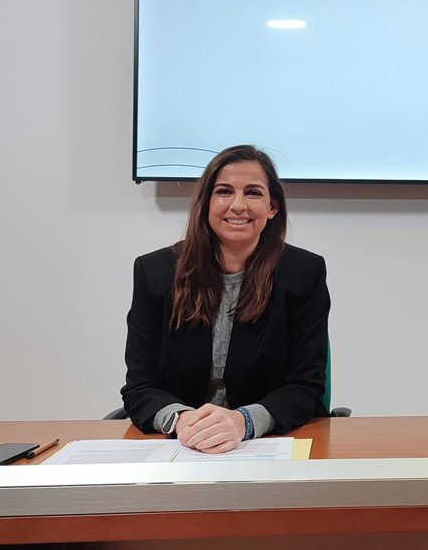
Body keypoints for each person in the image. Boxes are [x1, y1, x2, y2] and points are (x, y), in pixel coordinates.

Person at [121, 145, 330, 453]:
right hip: (181, 445)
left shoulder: (303, 273)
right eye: (224, 191)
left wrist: (243, 421)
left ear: (272, 207)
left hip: (267, 445)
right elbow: (140, 386)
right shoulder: (154, 272)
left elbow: (306, 387)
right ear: (207, 202)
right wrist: (183, 421)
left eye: (253, 193)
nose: (238, 205)